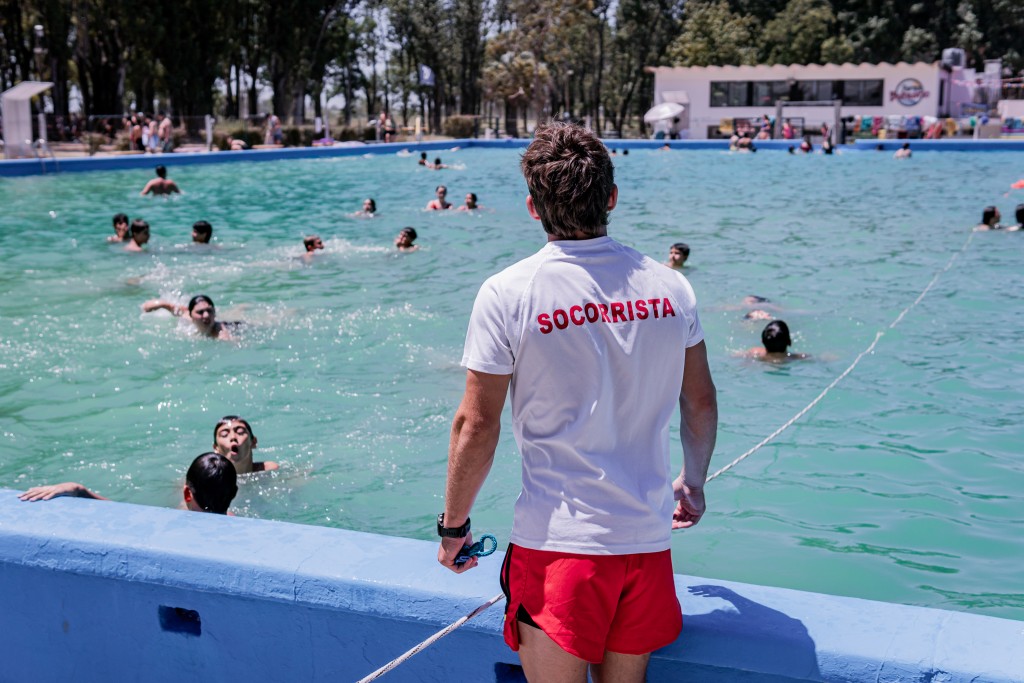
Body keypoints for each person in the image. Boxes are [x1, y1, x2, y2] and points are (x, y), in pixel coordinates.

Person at [437, 122, 718, 683]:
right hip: (646, 541)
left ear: (532, 206)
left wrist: (454, 527)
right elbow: (701, 403)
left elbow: (477, 423)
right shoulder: (671, 287)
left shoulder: (509, 291)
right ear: (611, 197)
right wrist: (693, 481)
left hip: (558, 546)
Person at [18, 452, 239, 515]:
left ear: (187, 493)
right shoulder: (236, 523)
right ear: (234, 492)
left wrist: (79, 490)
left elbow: (122, 514)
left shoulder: (171, 525)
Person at [141, 294, 238, 341]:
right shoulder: (185, 315)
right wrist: (158, 305)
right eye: (200, 312)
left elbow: (230, 341)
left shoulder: (218, 331)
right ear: (191, 314)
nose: (206, 315)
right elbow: (160, 304)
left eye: (209, 310)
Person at [212, 415, 278, 474]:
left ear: (253, 442)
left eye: (240, 432)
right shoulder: (210, 478)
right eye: (224, 434)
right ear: (216, 448)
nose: (233, 437)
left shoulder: (269, 471)